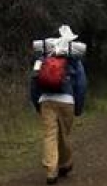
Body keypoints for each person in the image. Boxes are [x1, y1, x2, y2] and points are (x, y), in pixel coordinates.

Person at [32, 25, 88, 185]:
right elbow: (81, 84)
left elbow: (34, 82)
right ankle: (64, 164)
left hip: (46, 100)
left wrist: (37, 103)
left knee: (50, 135)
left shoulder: (42, 58)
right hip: (67, 100)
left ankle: (52, 171)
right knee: (64, 134)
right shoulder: (73, 59)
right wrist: (78, 107)